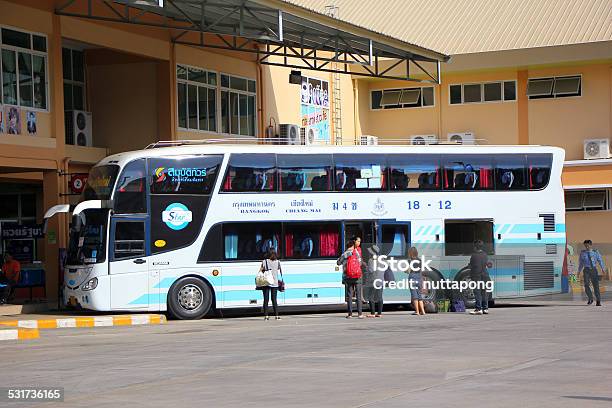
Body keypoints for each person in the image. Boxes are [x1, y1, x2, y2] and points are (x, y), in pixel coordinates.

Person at [338, 240, 363, 319]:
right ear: (353, 246)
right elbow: (360, 263)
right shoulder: (356, 253)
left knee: (349, 295)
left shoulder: (345, 253)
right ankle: (360, 314)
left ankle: (350, 314)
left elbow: (338, 262)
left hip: (348, 277)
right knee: (358, 295)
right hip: (357, 277)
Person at [578, 239, 604, 306]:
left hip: (594, 270)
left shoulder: (595, 252)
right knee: (586, 285)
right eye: (585, 246)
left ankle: (598, 300)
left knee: (596, 286)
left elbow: (600, 260)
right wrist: (578, 271)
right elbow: (581, 263)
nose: (586, 247)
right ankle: (590, 298)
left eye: (588, 245)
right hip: (586, 270)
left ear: (590, 245)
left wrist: (602, 268)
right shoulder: (582, 253)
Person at [469, 240, 490, 315]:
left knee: (477, 292)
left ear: (475, 247)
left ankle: (478, 309)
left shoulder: (474, 255)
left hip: (477, 276)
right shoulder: (485, 254)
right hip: (485, 276)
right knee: (484, 292)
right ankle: (485, 309)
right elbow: (486, 264)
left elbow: (471, 266)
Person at [260, 250, 282, 320]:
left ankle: (266, 316)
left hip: (266, 282)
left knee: (266, 300)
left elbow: (261, 270)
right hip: (275, 283)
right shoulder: (278, 262)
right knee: (274, 299)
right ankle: (276, 316)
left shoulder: (265, 261)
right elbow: (278, 269)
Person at [364, 245, 384, 318]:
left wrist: (365, 266)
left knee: (371, 296)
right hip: (380, 280)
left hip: (373, 280)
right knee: (379, 297)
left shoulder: (371, 260)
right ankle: (379, 313)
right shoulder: (382, 260)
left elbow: (371, 270)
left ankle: (372, 313)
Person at [407, 247, 426, 316]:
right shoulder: (420, 260)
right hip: (419, 278)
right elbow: (421, 271)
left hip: (412, 277)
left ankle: (417, 311)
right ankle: (423, 311)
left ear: (410, 253)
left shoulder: (410, 261)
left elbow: (408, 271)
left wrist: (405, 270)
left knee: (414, 296)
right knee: (419, 296)